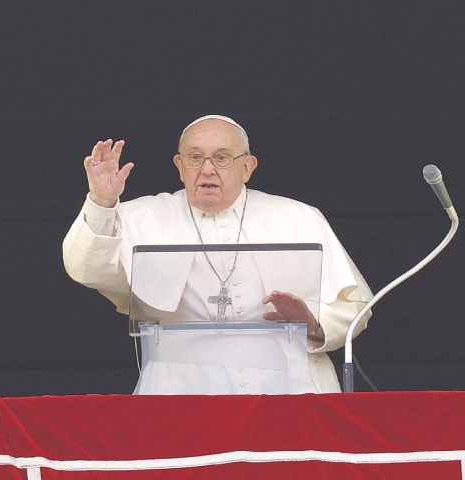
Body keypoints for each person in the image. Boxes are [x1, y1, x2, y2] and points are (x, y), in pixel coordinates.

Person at [62, 114, 373, 394]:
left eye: (222, 157)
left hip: (292, 387)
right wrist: (101, 203)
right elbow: (86, 270)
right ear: (179, 166)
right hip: (180, 392)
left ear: (247, 167)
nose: (207, 169)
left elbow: (355, 308)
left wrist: (313, 321)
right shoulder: (138, 216)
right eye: (195, 158)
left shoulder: (299, 217)